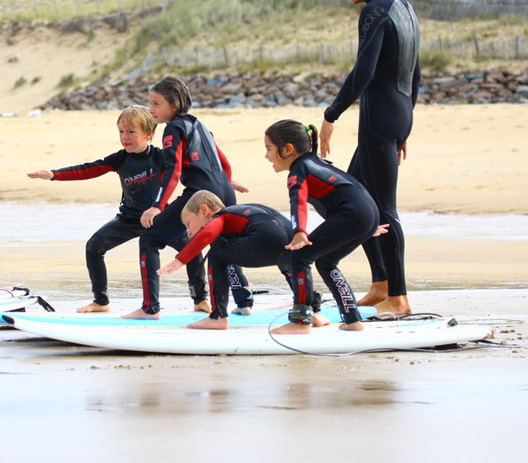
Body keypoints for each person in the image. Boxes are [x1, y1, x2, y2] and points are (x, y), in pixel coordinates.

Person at [27, 106, 210, 313]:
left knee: (193, 249)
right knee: (93, 247)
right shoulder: (120, 159)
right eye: (121, 132)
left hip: (157, 218)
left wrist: (224, 181)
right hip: (128, 219)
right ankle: (101, 301)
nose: (125, 137)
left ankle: (200, 299)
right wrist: (54, 174)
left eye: (132, 132)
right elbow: (88, 169)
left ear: (149, 134)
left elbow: (194, 171)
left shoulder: (160, 157)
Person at [319, 0, 420, 316]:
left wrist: (331, 115)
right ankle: (380, 284)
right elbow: (415, 73)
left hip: (379, 119)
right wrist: (405, 126)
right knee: (356, 201)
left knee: (383, 209)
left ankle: (399, 296)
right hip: (398, 113)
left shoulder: (375, 11)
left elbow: (364, 71)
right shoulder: (404, 8)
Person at [130, 76, 249, 319]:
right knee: (223, 242)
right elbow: (221, 158)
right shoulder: (200, 125)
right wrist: (227, 180)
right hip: (223, 190)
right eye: (150, 104)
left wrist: (157, 206)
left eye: (156, 104)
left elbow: (173, 170)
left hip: (199, 194)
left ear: (173, 104)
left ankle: (149, 308)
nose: (150, 110)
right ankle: (244, 302)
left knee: (150, 238)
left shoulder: (172, 129)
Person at [265, 120, 387, 335]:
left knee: (299, 256)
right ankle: (352, 319)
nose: (266, 156)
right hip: (366, 213)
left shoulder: (299, 171)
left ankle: (300, 321)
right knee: (326, 261)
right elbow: (347, 188)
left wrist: (299, 231)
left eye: (269, 149)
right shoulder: (316, 162)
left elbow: (298, 202)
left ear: (288, 149)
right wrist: (367, 225)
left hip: (354, 215)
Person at [157, 190, 306, 330]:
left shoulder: (221, 216)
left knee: (216, 255)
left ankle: (217, 317)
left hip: (265, 239)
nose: (189, 233)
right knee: (288, 264)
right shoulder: (243, 211)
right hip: (293, 239)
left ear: (204, 210)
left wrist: (180, 260)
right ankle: (310, 311)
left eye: (188, 224)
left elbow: (208, 232)